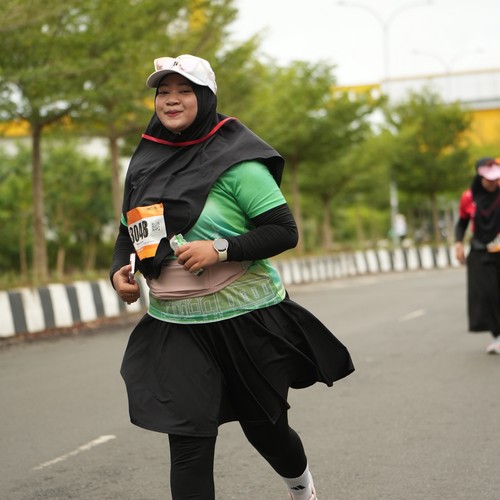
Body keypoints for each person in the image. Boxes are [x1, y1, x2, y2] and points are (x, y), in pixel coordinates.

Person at [110, 54, 354, 500]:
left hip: (246, 320)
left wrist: (220, 248)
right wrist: (118, 272)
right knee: (188, 444)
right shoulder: (145, 162)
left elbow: (284, 231)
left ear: (205, 98)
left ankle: (302, 490)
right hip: (176, 325)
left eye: (184, 91)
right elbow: (130, 229)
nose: (171, 100)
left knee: (266, 429)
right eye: (163, 92)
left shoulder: (238, 161)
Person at [455, 156, 500, 354]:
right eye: (489, 179)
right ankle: (497, 336)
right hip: (480, 250)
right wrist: (458, 243)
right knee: (488, 294)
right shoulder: (469, 197)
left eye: (495, 178)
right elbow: (462, 222)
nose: (493, 182)